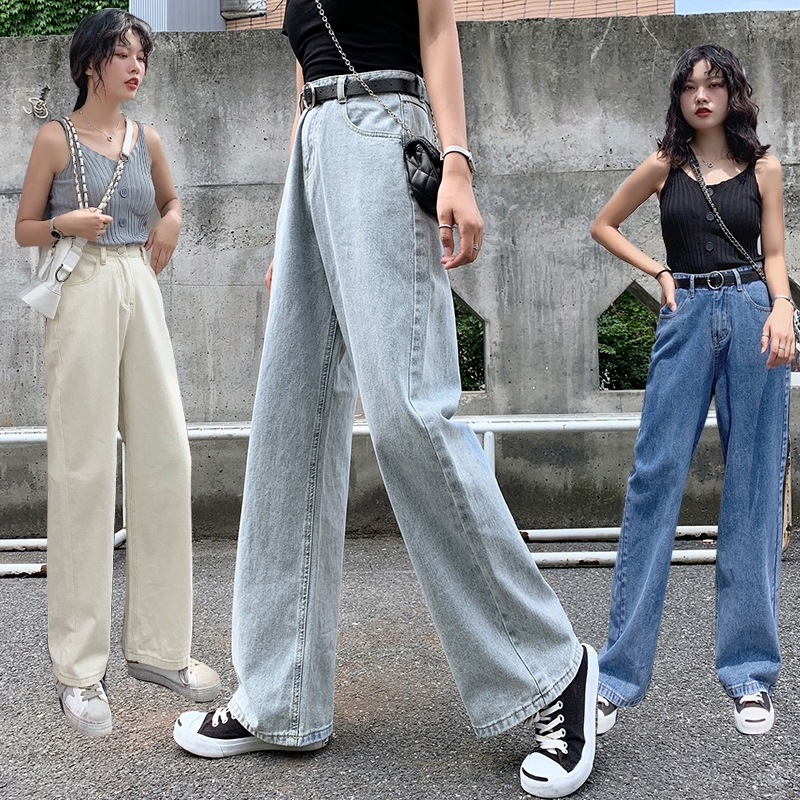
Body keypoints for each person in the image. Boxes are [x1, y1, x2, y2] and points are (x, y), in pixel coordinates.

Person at [173, 1, 597, 796]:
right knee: (289, 423)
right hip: (314, 156)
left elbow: (436, 27)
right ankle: (279, 697)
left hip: (382, 129)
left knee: (408, 413)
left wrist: (457, 163)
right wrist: (291, 221)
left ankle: (555, 670)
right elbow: (304, 83)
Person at [15, 9, 219, 737]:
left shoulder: (146, 138)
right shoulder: (55, 138)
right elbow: (23, 227)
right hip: (81, 288)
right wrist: (63, 225)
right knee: (84, 469)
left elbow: (171, 201)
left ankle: (159, 650)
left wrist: (173, 220)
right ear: (90, 63)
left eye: (142, 56)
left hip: (138, 281)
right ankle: (79, 671)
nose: (136, 66)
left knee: (167, 456)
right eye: (123, 54)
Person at [590, 44, 792, 737]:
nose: (702, 96)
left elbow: (773, 254)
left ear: (735, 94)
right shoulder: (663, 166)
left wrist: (783, 308)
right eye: (690, 86)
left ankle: (750, 675)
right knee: (654, 481)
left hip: (752, 313)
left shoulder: (764, 168)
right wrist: (659, 271)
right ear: (678, 97)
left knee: (755, 488)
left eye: (715, 84)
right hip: (686, 315)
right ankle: (615, 678)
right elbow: (603, 224)